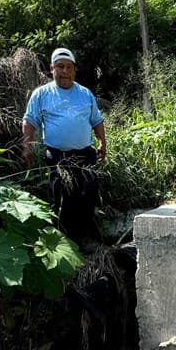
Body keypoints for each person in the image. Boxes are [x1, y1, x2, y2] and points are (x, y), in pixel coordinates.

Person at [22, 47, 106, 249]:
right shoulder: (42, 94)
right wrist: (26, 146)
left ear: (75, 69)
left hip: (85, 153)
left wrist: (102, 142)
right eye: (60, 67)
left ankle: (87, 237)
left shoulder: (85, 94)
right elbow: (30, 121)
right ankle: (65, 240)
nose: (65, 71)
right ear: (52, 68)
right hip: (58, 155)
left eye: (69, 67)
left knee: (89, 192)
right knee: (65, 195)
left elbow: (96, 120)